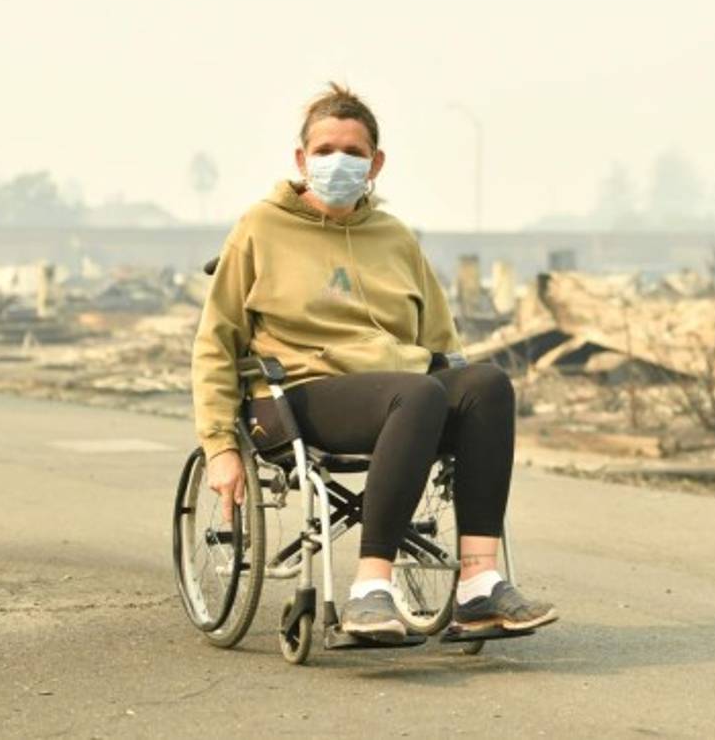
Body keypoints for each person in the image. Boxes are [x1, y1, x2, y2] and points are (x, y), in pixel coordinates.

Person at [191, 83, 557, 641]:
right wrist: (219, 444)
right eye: (324, 150)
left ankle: (479, 584)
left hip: (405, 397)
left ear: (376, 163)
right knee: (417, 393)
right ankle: (370, 588)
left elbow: (441, 340)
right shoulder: (260, 228)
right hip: (298, 394)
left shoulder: (395, 238)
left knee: (486, 384)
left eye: (354, 153)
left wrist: (464, 393)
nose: (339, 162)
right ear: (301, 159)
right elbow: (216, 339)